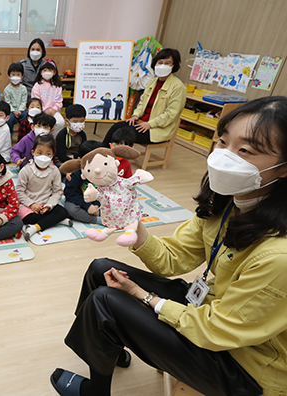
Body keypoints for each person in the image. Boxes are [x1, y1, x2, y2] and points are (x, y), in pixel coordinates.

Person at [51, 96, 287, 396]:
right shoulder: (229, 204)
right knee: (100, 270)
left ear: (283, 168)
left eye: (245, 150)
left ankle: (97, 386)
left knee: (106, 301)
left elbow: (217, 330)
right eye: (223, 142)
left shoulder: (279, 255)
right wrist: (133, 225)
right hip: (209, 309)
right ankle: (107, 341)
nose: (225, 156)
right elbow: (173, 258)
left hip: (245, 368)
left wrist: (143, 296)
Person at [102, 48, 187, 146]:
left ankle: (117, 158)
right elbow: (142, 103)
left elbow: (171, 114)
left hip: (157, 129)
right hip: (141, 121)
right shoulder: (152, 82)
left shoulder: (178, 87)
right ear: (155, 64)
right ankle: (101, 154)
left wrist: (150, 124)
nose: (163, 66)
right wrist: (135, 116)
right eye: (160, 62)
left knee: (124, 134)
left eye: (167, 63)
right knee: (115, 127)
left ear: (174, 66)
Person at [16, 134, 72, 239]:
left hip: (46, 204)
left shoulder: (54, 170)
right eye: (40, 153)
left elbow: (57, 191)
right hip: (28, 205)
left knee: (63, 211)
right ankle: (56, 221)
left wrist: (49, 205)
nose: (43, 156)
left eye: (48, 154)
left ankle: (35, 227)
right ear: (33, 153)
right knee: (25, 217)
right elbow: (19, 192)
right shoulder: (26, 170)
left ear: (53, 155)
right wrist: (31, 204)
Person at [64, 140, 103, 225]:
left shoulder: (100, 172)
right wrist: (87, 206)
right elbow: (70, 194)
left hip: (96, 201)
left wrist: (96, 204)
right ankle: (96, 219)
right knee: (71, 209)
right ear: (80, 160)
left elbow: (102, 191)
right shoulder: (74, 174)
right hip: (78, 201)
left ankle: (101, 214)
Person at [31, 59, 65, 136]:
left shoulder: (57, 86)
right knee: (41, 123)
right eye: (45, 70)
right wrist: (44, 110)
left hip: (53, 111)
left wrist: (54, 110)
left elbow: (59, 100)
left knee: (60, 122)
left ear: (54, 72)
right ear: (41, 72)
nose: (47, 72)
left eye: (50, 70)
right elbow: (36, 100)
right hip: (40, 111)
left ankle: (49, 136)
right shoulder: (37, 85)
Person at [3, 62, 28, 133]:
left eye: (18, 75)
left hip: (21, 110)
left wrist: (20, 110)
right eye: (13, 74)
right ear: (9, 75)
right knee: (9, 119)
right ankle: (10, 134)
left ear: (22, 76)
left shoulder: (23, 88)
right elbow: (8, 102)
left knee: (26, 117)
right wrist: (14, 111)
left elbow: (24, 101)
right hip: (11, 110)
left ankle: (23, 134)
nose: (15, 77)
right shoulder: (7, 89)